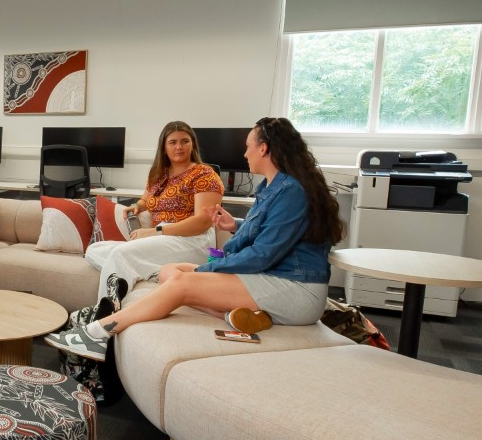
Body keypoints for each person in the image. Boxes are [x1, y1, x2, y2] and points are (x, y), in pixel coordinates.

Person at [46, 117, 344, 362]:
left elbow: (264, 254)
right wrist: (236, 225)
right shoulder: (273, 187)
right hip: (274, 278)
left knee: (182, 281)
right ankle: (235, 315)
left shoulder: (289, 191)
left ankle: (99, 332)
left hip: (295, 290)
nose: (244, 154)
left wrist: (206, 270)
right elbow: (275, 235)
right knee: (168, 271)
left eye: (248, 147)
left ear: (264, 149)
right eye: (172, 142)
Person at [84, 120, 224, 303]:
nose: (179, 147)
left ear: (193, 145)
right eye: (173, 142)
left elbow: (202, 223)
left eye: (185, 141)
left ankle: (104, 316)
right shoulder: (158, 173)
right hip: (163, 239)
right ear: (164, 147)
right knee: (94, 250)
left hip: (191, 240)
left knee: (119, 255)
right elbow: (147, 199)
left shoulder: (205, 175)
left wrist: (154, 232)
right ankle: (156, 273)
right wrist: (138, 206)